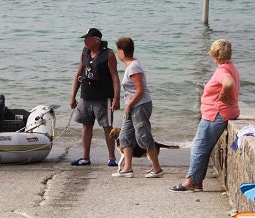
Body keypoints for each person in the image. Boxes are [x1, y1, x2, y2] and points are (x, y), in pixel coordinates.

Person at [170, 39, 240, 191]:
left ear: (215, 54)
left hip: (216, 114)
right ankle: (197, 182)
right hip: (224, 112)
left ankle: (190, 182)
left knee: (199, 147)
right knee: (203, 147)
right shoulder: (230, 67)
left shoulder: (222, 70)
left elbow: (228, 83)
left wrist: (222, 94)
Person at [113, 36, 163, 178]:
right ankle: (127, 168)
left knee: (143, 136)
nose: (117, 54)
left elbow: (140, 90)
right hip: (133, 105)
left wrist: (129, 105)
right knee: (124, 136)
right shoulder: (131, 66)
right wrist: (128, 106)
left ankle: (157, 169)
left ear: (122, 52)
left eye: (118, 51)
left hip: (139, 105)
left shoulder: (134, 67)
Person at [70, 28, 120, 166]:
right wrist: (73, 96)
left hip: (103, 97)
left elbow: (115, 77)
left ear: (97, 40)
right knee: (86, 126)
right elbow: (78, 74)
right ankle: (85, 157)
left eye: (88, 38)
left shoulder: (108, 54)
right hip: (86, 96)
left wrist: (117, 98)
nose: (85, 41)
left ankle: (112, 158)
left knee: (107, 127)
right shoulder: (85, 52)